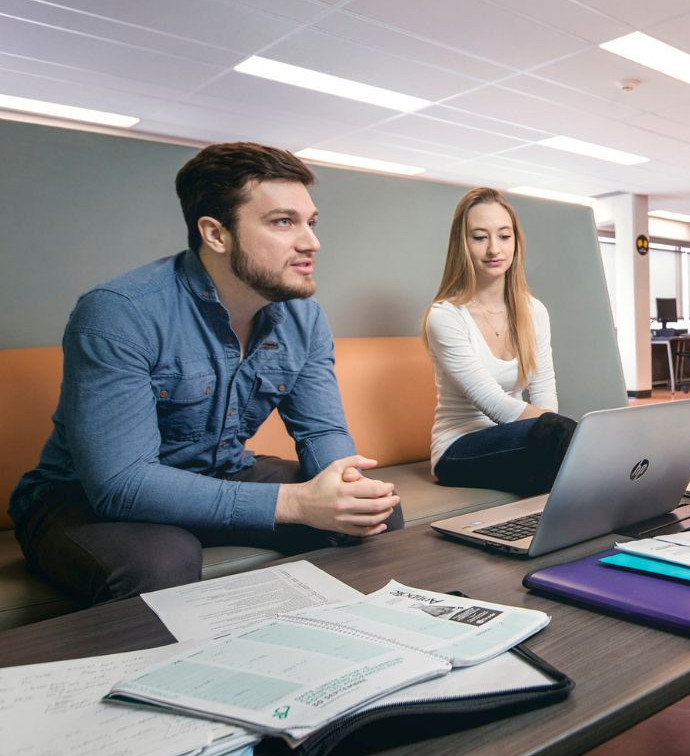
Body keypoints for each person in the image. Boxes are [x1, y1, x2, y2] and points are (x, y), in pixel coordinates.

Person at [9, 142, 403, 606]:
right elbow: (123, 485)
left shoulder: (304, 317)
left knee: (376, 515)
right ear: (216, 234)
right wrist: (297, 503)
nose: (311, 241)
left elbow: (322, 430)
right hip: (80, 498)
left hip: (220, 471)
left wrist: (344, 489)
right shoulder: (120, 312)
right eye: (283, 222)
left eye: (310, 223)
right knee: (160, 561)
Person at [422, 187, 575, 497]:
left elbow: (544, 390)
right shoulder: (445, 316)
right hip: (458, 449)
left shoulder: (534, 310)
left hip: (517, 438)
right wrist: (566, 434)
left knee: (566, 457)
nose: (494, 249)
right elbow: (495, 405)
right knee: (563, 442)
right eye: (480, 237)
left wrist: (558, 433)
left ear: (516, 242)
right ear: (461, 244)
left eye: (504, 236)